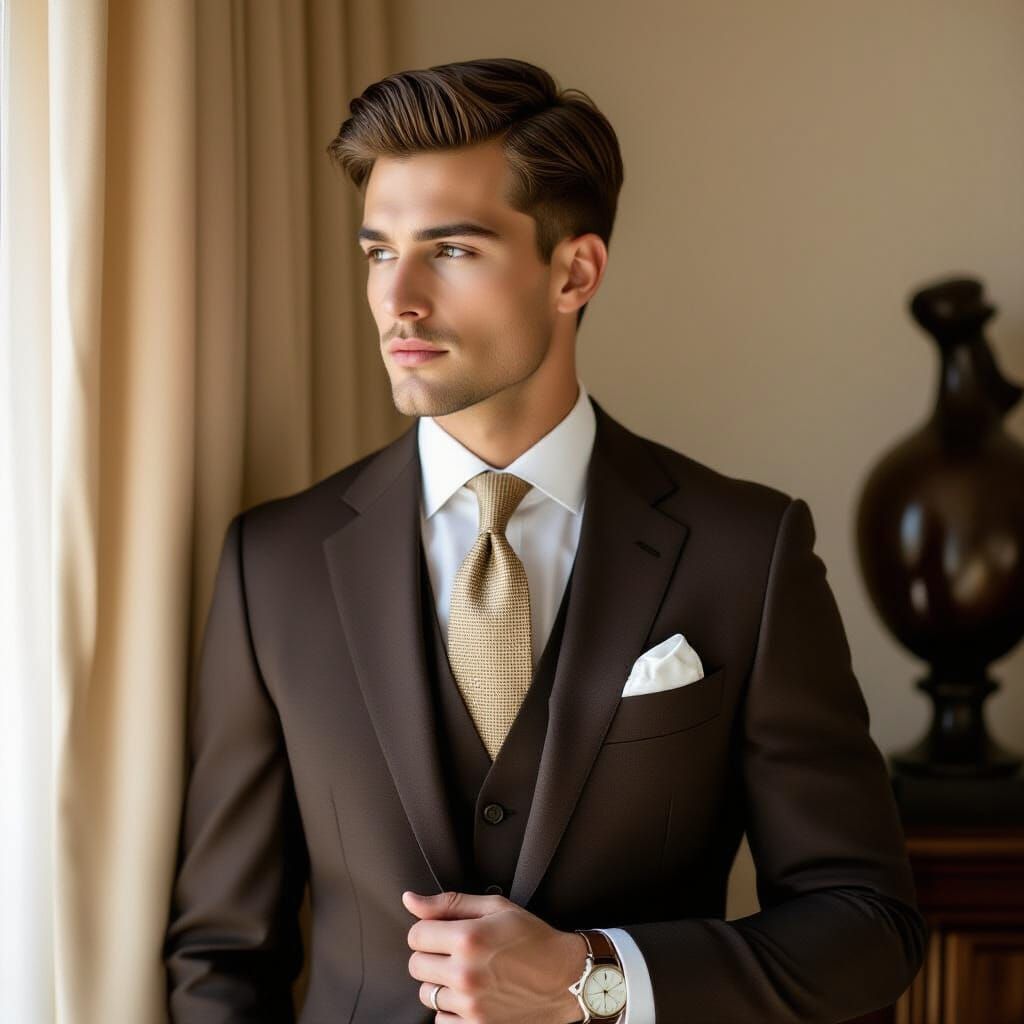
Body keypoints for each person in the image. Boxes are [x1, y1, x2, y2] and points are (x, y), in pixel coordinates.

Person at [163, 57, 927, 1023]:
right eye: (376, 251)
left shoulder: (748, 552)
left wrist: (593, 979)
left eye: (449, 251)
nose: (397, 298)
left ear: (575, 272)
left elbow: (866, 926)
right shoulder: (270, 566)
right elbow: (224, 955)